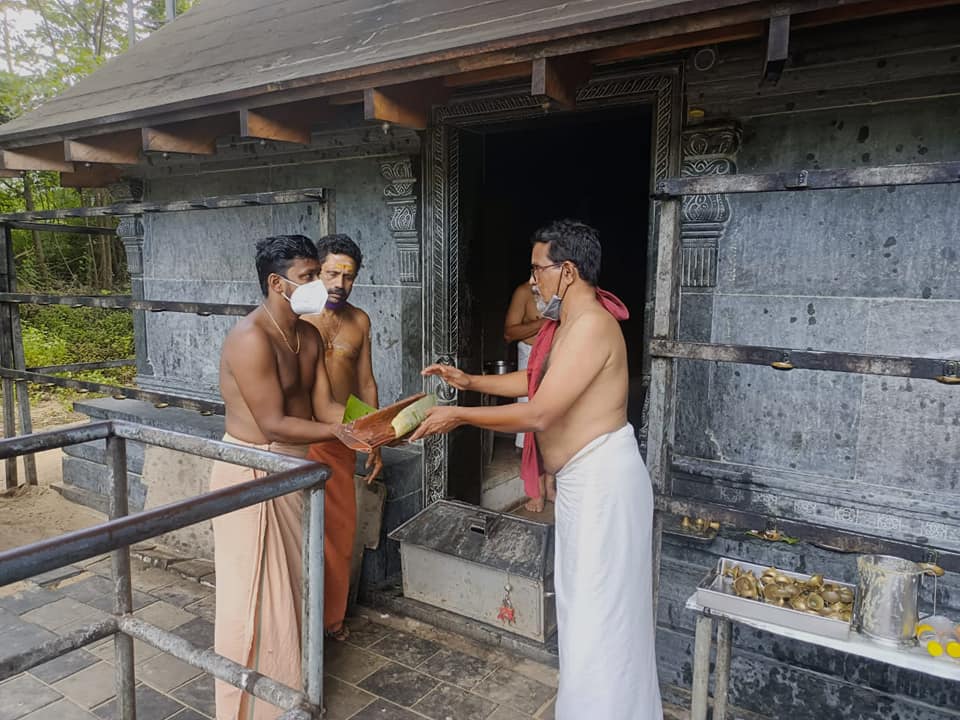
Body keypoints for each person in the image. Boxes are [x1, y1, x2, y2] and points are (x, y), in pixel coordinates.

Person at [411, 220, 662, 720]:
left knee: (599, 616)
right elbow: (535, 379)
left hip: (604, 486)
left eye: (537, 271)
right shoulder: (569, 324)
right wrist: (466, 382)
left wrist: (458, 415)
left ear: (567, 271)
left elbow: (541, 411)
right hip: (583, 484)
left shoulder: (591, 325)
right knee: (584, 611)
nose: (532, 282)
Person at [212, 234, 344, 720]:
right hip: (251, 469)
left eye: (319, 275)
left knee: (292, 586)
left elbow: (326, 405)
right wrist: (340, 431)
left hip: (295, 471)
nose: (321, 286)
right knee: (249, 596)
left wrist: (378, 422)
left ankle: (289, 693)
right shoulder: (250, 338)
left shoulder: (308, 336)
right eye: (310, 277)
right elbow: (272, 422)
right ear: (277, 283)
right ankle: (247, 707)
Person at [301, 233, 382, 641]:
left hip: (343, 440)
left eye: (348, 277)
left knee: (338, 532)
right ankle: (298, 620)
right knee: (298, 535)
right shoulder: (298, 320)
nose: (339, 284)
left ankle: (331, 621)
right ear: (317, 273)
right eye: (332, 273)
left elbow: (366, 383)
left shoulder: (360, 321)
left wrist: (376, 437)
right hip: (300, 437)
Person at [503, 281, 555, 512]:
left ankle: (550, 484)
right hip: (529, 359)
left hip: (557, 360)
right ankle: (536, 489)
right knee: (530, 427)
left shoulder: (564, 292)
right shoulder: (523, 292)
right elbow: (509, 333)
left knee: (553, 424)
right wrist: (544, 323)